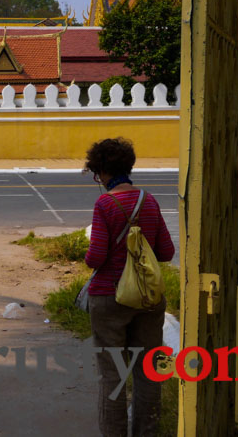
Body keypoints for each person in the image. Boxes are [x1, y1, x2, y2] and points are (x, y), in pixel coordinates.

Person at [83, 137, 175, 437]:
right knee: (148, 373)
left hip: (109, 299)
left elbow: (95, 257)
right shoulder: (149, 201)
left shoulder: (105, 203)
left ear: (102, 173)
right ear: (129, 166)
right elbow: (165, 253)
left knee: (113, 377)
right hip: (148, 299)